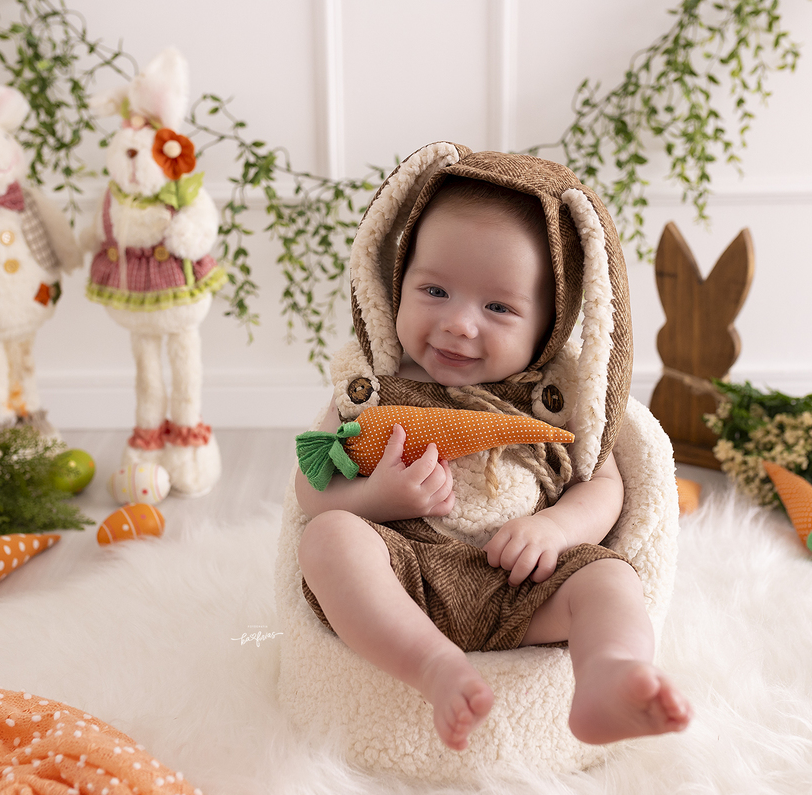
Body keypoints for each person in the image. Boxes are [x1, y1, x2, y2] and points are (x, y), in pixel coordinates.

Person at [295, 150, 692, 752]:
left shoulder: (557, 398)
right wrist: (377, 497)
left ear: (549, 326)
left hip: (524, 582)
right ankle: (432, 665)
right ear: (396, 285)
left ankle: (609, 676)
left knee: (610, 578)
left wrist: (556, 529)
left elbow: (603, 484)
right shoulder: (372, 384)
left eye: (499, 307)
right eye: (433, 290)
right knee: (326, 542)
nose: (458, 323)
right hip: (407, 572)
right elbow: (312, 486)